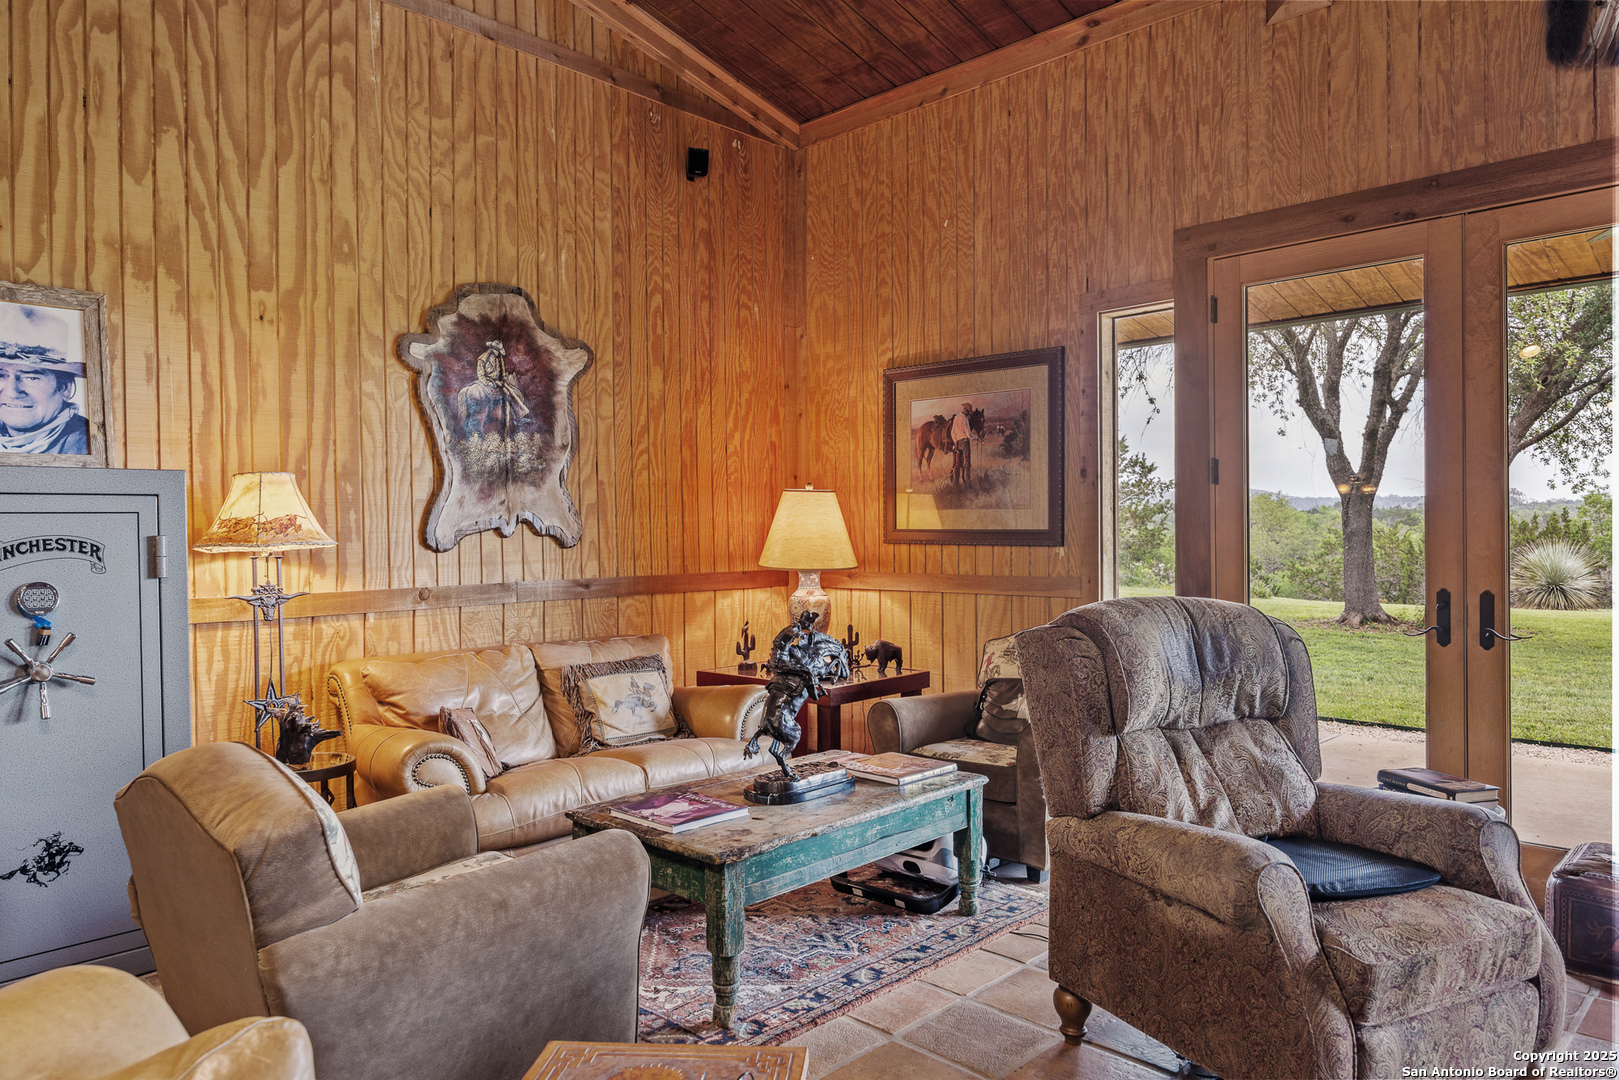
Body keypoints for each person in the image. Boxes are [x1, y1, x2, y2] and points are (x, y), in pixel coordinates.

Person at [0, 349, 88, 455]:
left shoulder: (87, 445)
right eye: (1, 376)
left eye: (32, 378)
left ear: (65, 389)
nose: (12, 393)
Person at [948, 400, 975, 486]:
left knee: (957, 464)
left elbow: (952, 432)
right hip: (965, 442)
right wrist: (977, 438)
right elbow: (968, 434)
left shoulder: (956, 418)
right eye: (969, 412)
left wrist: (955, 442)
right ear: (967, 411)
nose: (968, 414)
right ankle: (968, 486)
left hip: (958, 443)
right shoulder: (965, 419)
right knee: (966, 464)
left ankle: (956, 485)